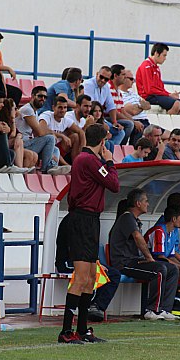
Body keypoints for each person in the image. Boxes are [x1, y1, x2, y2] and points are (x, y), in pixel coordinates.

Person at [59, 124, 119, 344]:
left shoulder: (88, 161)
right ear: (102, 142)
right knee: (82, 277)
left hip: (89, 220)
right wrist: (110, 161)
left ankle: (82, 329)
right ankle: (66, 330)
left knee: (91, 277)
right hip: (82, 219)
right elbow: (113, 184)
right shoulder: (90, 160)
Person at [109, 189, 180, 321]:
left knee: (172, 269)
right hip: (124, 263)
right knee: (159, 269)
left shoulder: (134, 219)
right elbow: (137, 237)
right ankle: (152, 310)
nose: (148, 204)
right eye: (146, 201)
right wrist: (149, 258)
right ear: (138, 203)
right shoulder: (127, 217)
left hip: (135, 260)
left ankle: (165, 309)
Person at [17, 86, 69, 174]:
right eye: (40, 96)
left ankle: (52, 166)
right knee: (50, 138)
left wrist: (50, 152)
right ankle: (46, 169)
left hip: (29, 142)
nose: (43, 99)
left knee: (55, 149)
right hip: (22, 143)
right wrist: (54, 133)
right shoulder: (27, 109)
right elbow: (40, 132)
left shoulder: (35, 111)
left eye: (45, 97)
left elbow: (37, 134)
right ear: (33, 96)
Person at [135, 42, 180, 115]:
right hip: (148, 97)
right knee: (176, 104)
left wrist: (169, 94)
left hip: (157, 95)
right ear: (156, 53)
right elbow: (149, 90)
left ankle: (175, 123)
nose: (165, 58)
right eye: (164, 55)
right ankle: (169, 124)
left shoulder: (156, 68)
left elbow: (160, 88)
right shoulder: (146, 66)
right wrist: (168, 95)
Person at [84, 66, 133, 145]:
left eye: (106, 79)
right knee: (125, 127)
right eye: (101, 77)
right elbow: (91, 107)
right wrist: (104, 126)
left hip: (100, 117)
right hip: (91, 118)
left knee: (120, 132)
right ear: (97, 74)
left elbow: (111, 105)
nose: (103, 80)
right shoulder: (89, 84)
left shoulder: (106, 86)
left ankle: (108, 149)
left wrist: (114, 122)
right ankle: (105, 147)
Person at [0, 96, 37, 170]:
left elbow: (18, 133)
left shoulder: (11, 120)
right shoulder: (2, 120)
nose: (17, 110)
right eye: (14, 108)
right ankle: (19, 168)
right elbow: (12, 135)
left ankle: (24, 176)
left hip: (11, 146)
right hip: (1, 147)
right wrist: (13, 120)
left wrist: (18, 136)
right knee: (18, 141)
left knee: (32, 155)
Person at [39, 96, 86, 162]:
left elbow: (81, 132)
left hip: (58, 148)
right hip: (45, 147)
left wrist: (83, 151)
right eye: (60, 107)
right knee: (52, 138)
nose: (63, 110)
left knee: (75, 136)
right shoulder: (47, 115)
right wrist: (62, 136)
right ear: (53, 108)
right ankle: (66, 165)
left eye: (65, 107)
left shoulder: (66, 120)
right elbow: (42, 129)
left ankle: (76, 163)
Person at [108, 64, 142, 144]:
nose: (124, 77)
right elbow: (114, 111)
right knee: (129, 124)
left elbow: (122, 111)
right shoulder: (109, 88)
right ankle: (120, 147)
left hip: (116, 117)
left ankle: (131, 149)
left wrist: (134, 121)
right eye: (123, 75)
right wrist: (132, 122)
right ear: (115, 76)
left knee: (139, 127)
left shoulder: (118, 91)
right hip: (108, 117)